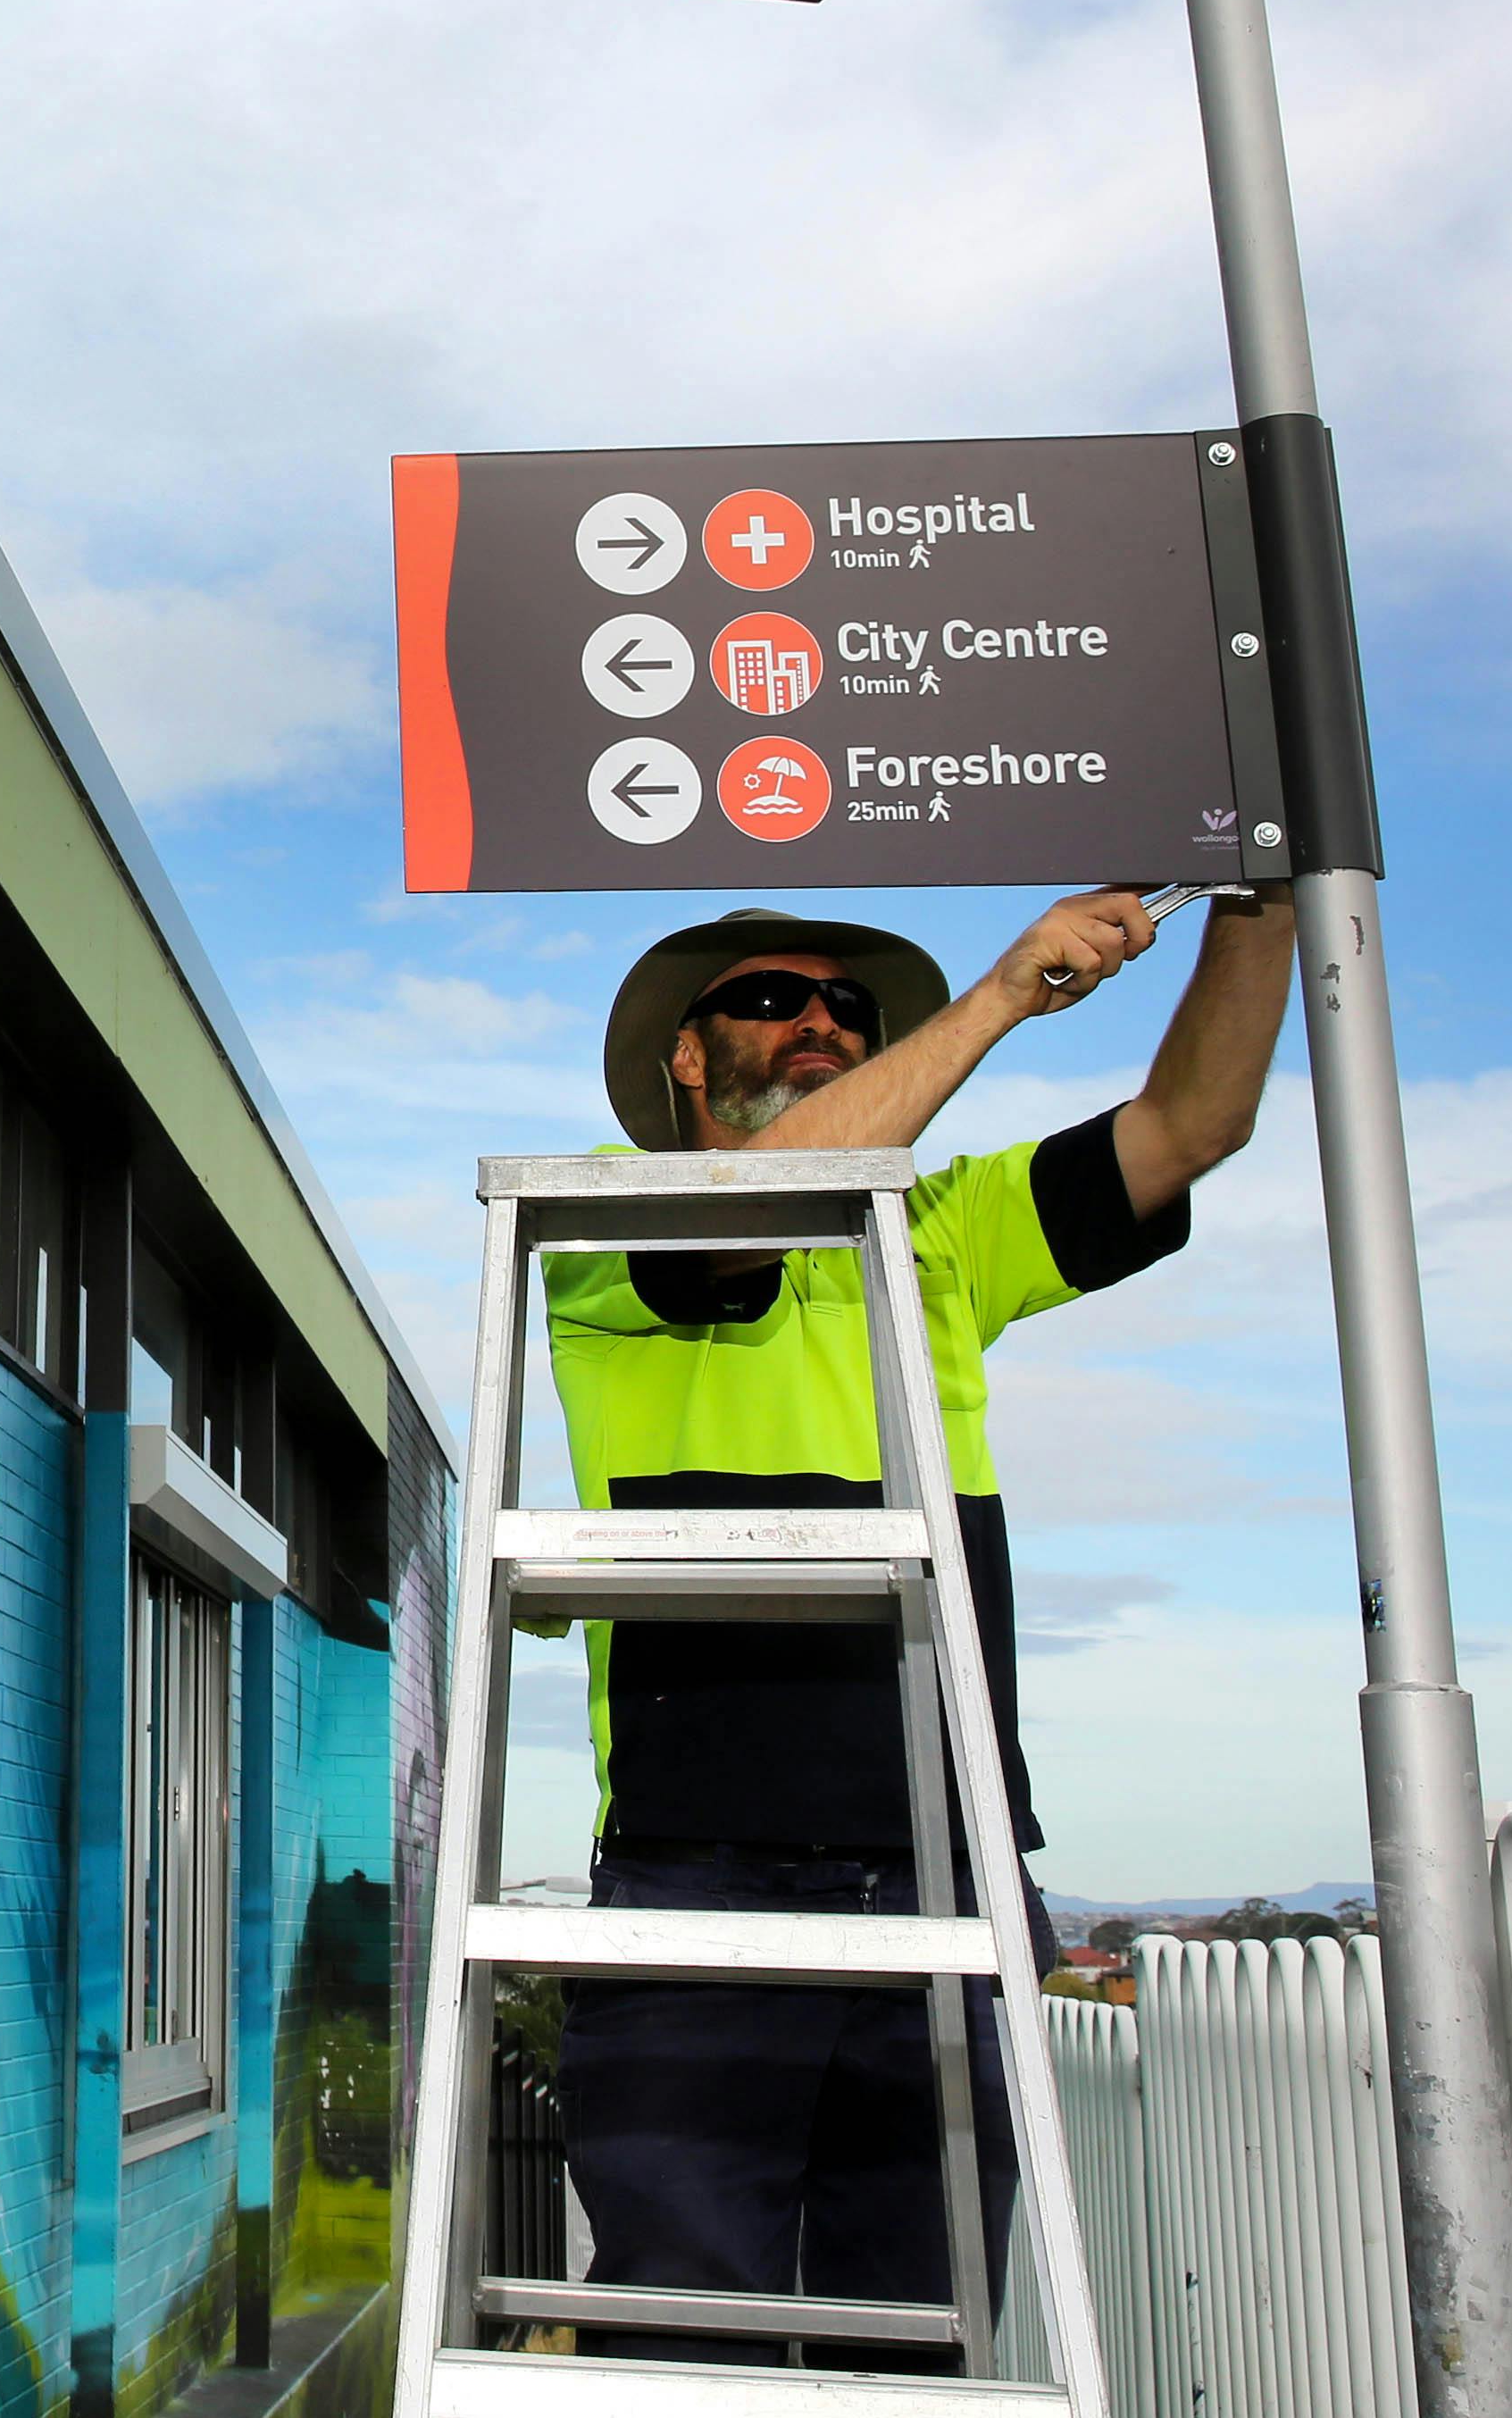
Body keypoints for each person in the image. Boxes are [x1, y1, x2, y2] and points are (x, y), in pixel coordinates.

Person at [545, 888, 1295, 2363]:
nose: (819, 1021)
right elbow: (743, 1210)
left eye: (848, 1012)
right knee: (693, 2347)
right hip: (702, 1867)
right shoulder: (599, 1206)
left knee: (923, 2341)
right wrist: (1005, 993)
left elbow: (1191, 1123)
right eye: (770, 998)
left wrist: (1255, 893)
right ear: (685, 1063)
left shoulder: (937, 1233)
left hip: (950, 1861)